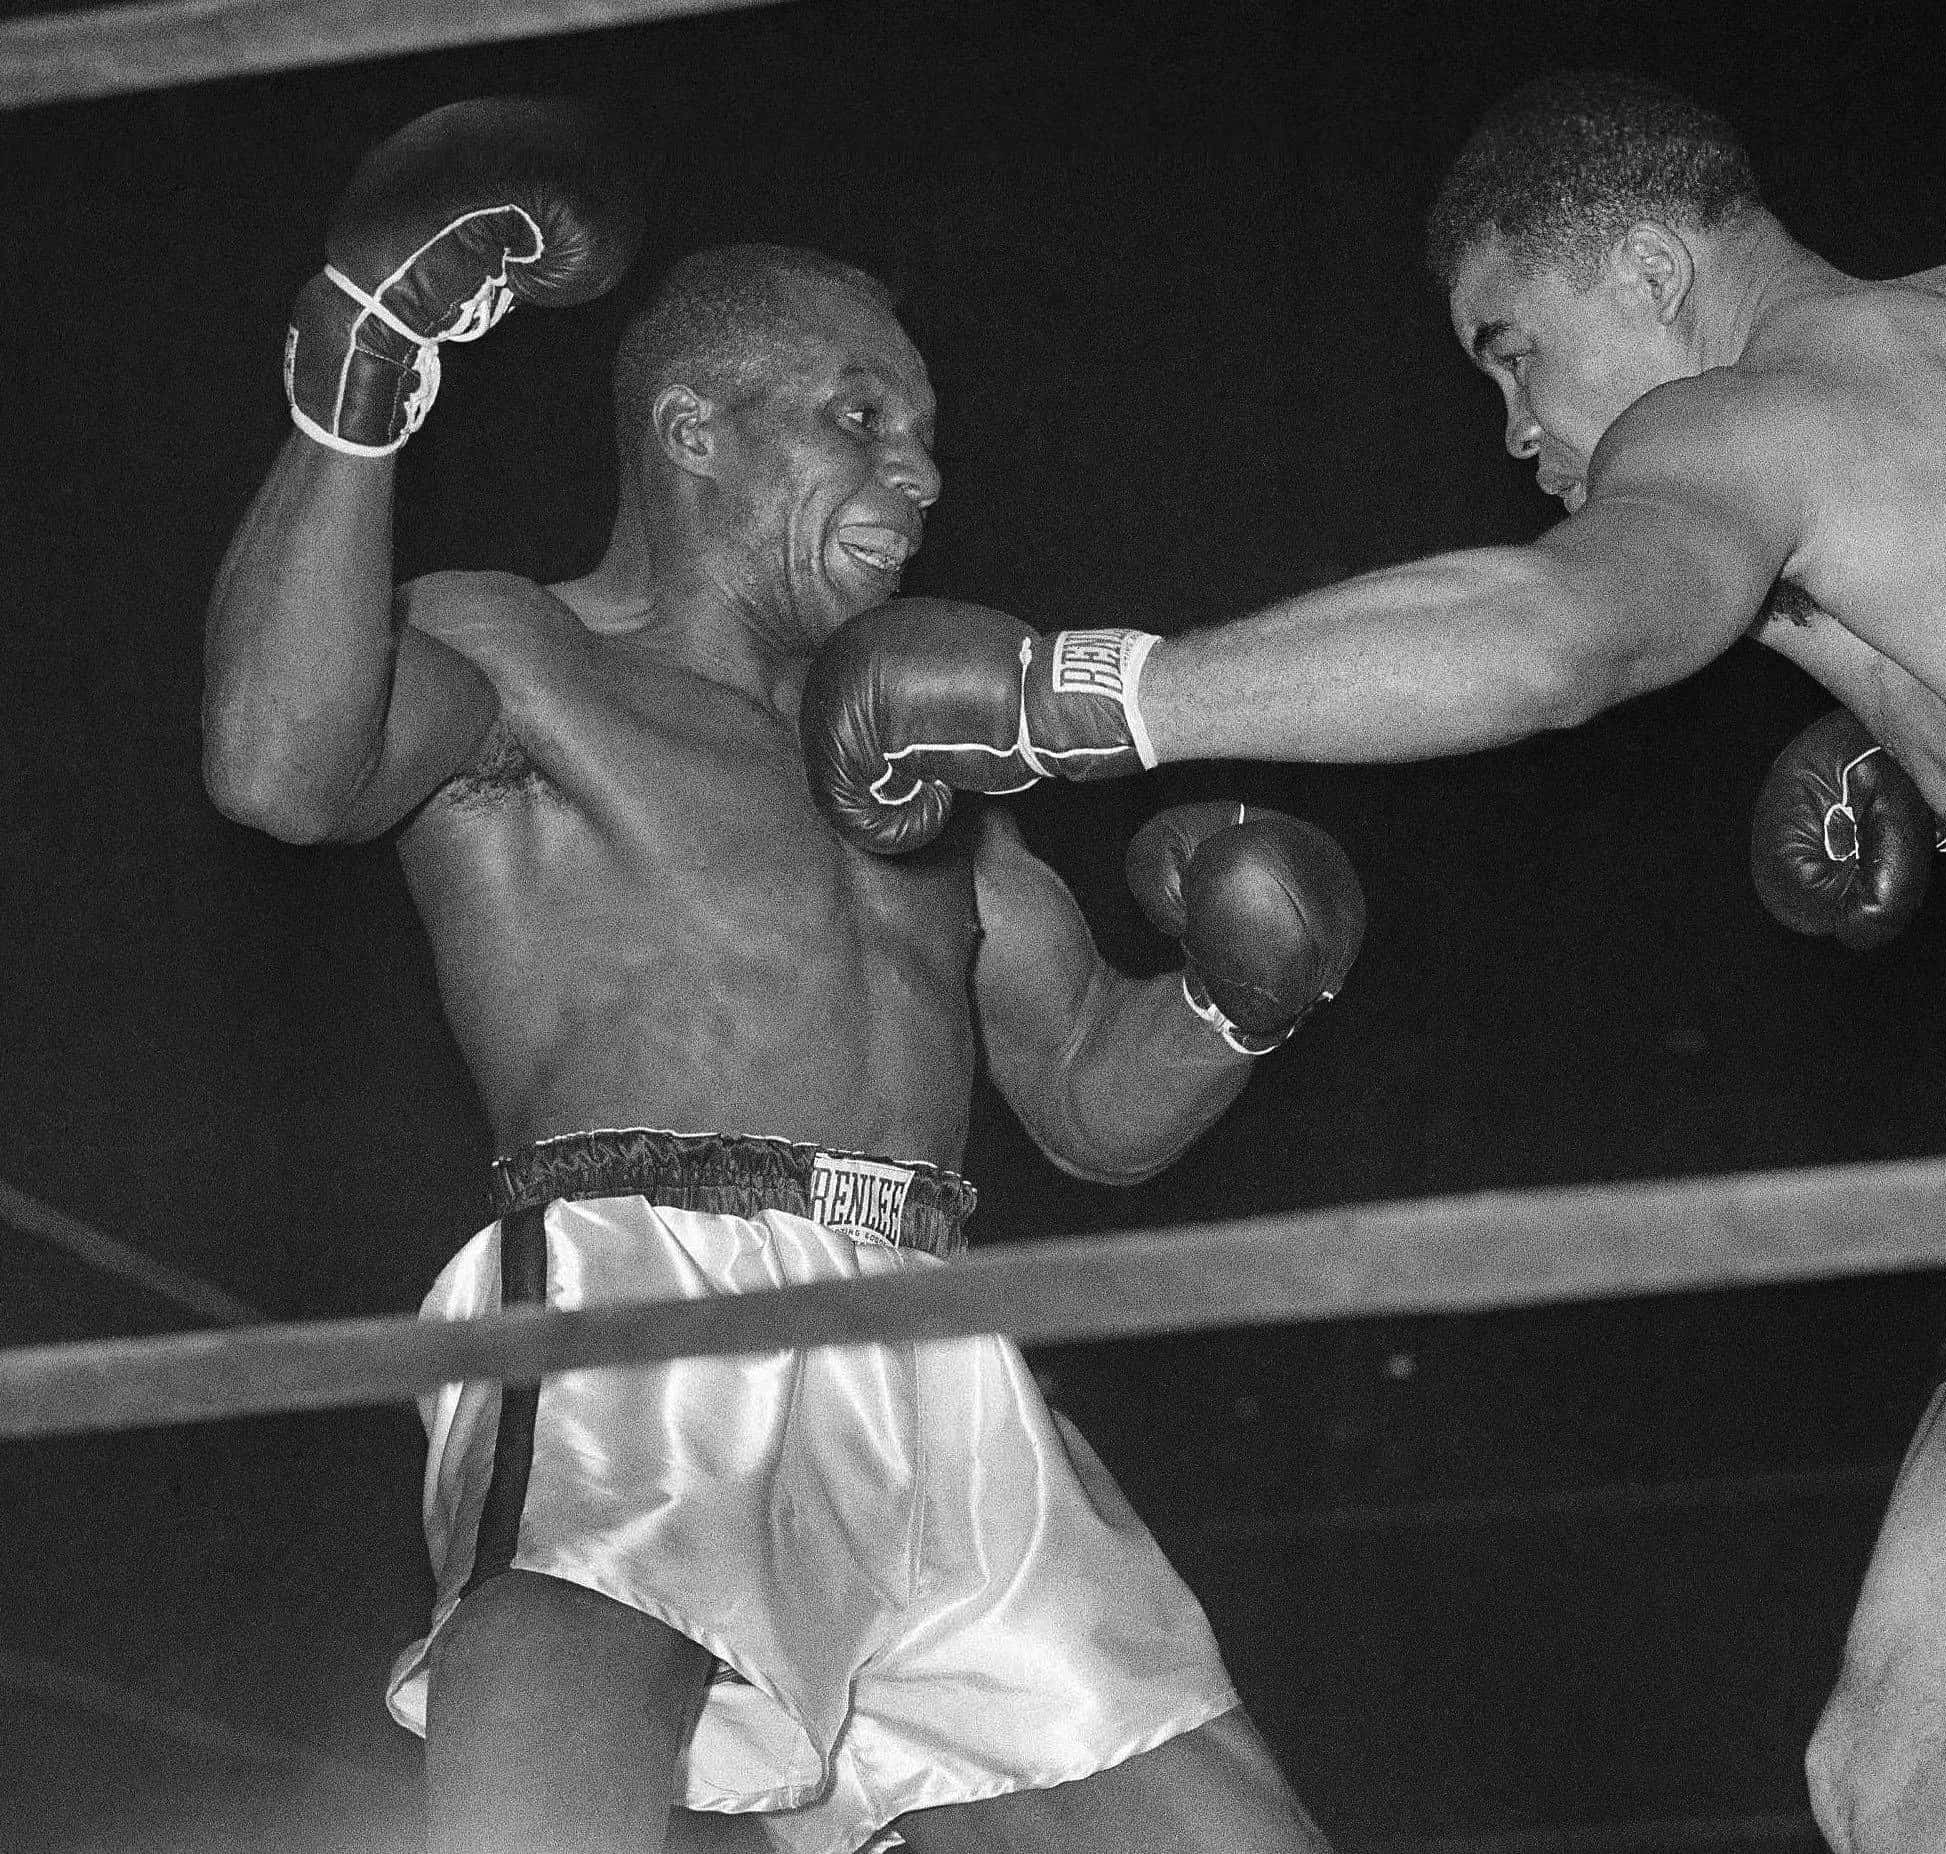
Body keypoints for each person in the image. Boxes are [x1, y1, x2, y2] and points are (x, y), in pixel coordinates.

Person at [815, 70, 1946, 1854]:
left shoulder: (1754, 425)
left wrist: (1088, 696)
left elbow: (1551, 638)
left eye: (1516, 350)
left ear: (1656, 272)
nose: (1518, 430)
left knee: (1915, 1758)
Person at [201, 98, 1358, 1854]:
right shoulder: (524, 651)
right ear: (694, 432)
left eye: (927, 436)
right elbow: (280, 767)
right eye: (859, 417)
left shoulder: (914, 763)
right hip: (649, 1292)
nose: (922, 474)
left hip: (934, 1340)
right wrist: (359, 366)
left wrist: (1241, 984)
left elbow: (1090, 1096)